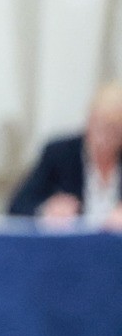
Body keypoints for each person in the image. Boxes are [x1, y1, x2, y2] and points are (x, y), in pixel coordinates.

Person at [8, 82, 122, 229]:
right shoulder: (60, 154)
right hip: (70, 246)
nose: (104, 137)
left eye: (113, 129)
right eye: (99, 124)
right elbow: (17, 206)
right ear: (89, 121)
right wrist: (46, 209)